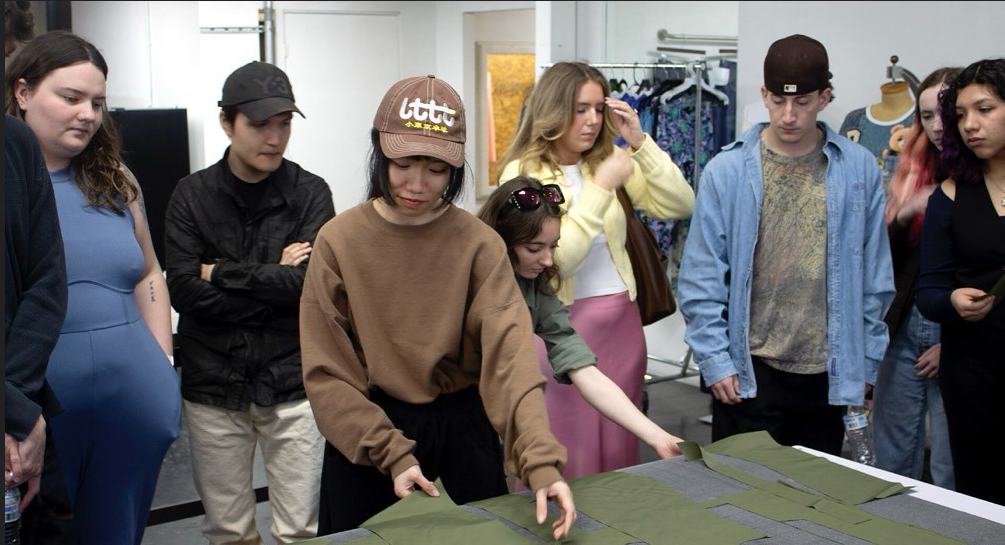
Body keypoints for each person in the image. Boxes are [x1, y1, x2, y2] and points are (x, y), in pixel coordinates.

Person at [299, 75, 576, 541]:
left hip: (463, 436)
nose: (416, 184)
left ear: (455, 169)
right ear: (379, 152)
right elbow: (328, 373)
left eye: (436, 169)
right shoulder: (339, 241)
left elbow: (510, 361)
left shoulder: (479, 245)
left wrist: (540, 462)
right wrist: (390, 453)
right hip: (369, 439)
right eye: (402, 163)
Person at [677, 34, 894, 457]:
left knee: (815, 493)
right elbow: (701, 277)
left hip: (828, 374)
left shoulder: (858, 169)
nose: (789, 115)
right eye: (778, 101)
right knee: (741, 490)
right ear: (764, 95)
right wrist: (715, 360)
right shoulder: (727, 171)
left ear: (825, 97)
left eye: (803, 102)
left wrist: (866, 361)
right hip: (749, 371)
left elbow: (875, 277)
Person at [5, 30, 182, 543]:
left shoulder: (115, 181)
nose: (87, 114)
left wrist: (163, 363)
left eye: (98, 103)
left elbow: (148, 272)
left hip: (135, 404)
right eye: (71, 97)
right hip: (38, 412)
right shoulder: (12, 190)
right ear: (22, 93)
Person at [496, 61, 694, 479]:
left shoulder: (607, 159)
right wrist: (602, 188)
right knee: (568, 449)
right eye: (580, 109)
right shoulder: (523, 172)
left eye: (598, 109)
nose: (592, 120)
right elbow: (557, 261)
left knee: (620, 446)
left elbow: (679, 204)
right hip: (558, 326)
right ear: (554, 109)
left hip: (621, 323)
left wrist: (641, 144)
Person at [164, 61, 334, 544]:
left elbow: (307, 288)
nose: (275, 138)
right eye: (260, 124)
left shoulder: (311, 193)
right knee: (228, 531)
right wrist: (274, 278)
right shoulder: (191, 195)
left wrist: (220, 272)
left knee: (301, 531)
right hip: (214, 382)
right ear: (227, 122)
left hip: (293, 380)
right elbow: (183, 290)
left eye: (284, 124)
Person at [477, 176, 686, 459]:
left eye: (553, 246)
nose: (548, 260)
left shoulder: (534, 288)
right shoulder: (466, 282)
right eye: (534, 249)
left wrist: (657, 436)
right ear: (501, 241)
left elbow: (582, 369)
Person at [917, 58, 1005, 505]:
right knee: (982, 495)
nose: (970, 124)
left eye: (984, 109)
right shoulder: (950, 195)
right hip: (974, 370)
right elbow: (927, 294)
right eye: (960, 115)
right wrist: (952, 301)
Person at [871, 67, 961, 489]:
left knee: (951, 465)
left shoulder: (988, 178)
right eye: (926, 116)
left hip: (960, 331)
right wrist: (903, 215)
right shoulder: (914, 165)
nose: (938, 126)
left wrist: (955, 343)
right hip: (905, 323)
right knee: (892, 457)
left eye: (945, 112)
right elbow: (883, 260)